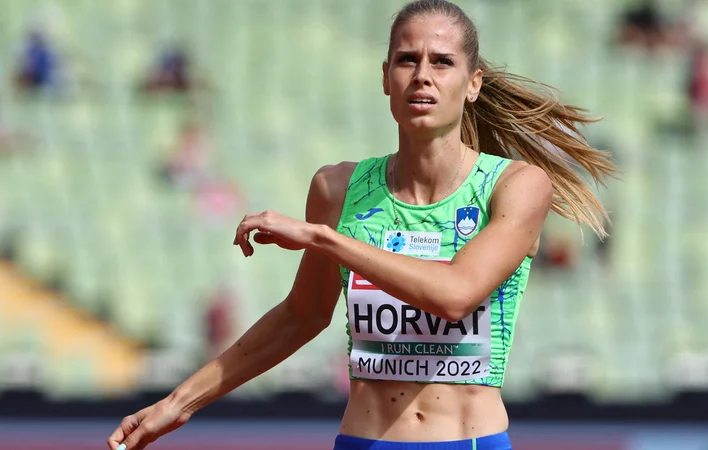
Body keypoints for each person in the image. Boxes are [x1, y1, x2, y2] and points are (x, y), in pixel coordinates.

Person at [106, 1, 617, 449]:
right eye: (406, 60)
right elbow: (301, 317)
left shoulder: (516, 186)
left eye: (442, 62)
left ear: (473, 82)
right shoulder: (337, 191)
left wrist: (325, 239)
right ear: (385, 77)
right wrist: (180, 403)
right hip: (364, 442)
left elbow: (456, 294)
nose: (423, 75)